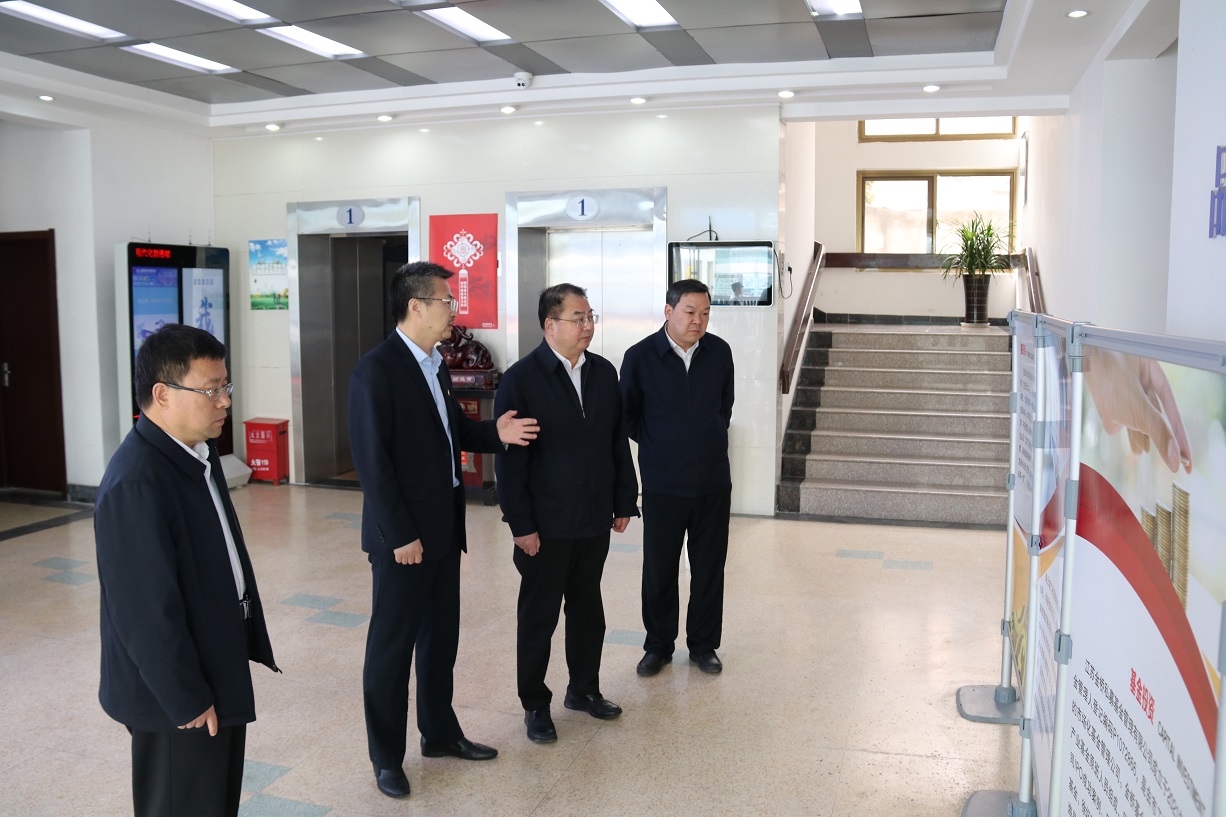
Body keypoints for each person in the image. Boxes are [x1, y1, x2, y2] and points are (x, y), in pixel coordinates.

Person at [348, 261, 539, 799]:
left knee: (439, 641)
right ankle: (387, 758)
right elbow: (372, 464)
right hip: (403, 540)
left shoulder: (435, 365)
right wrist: (399, 534)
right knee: (391, 650)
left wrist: (497, 433)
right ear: (416, 306)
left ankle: (439, 733)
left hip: (442, 530)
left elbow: (452, 431)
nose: (454, 310)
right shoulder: (376, 371)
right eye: (445, 302)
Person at [94, 323, 279, 817]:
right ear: (163, 395)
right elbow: (144, 614)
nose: (224, 402)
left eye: (225, 386)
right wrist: (187, 698)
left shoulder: (196, 451)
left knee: (214, 803)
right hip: (175, 696)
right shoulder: (137, 482)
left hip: (214, 659)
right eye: (211, 390)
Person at [495, 283, 639, 744]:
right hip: (546, 524)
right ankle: (535, 704)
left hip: (593, 517)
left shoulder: (603, 372)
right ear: (549, 325)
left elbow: (617, 441)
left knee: (587, 610)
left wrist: (624, 499)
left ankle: (584, 689)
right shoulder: (522, 378)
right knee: (539, 617)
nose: (587, 326)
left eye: (590, 317)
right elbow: (509, 461)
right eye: (578, 318)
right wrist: (521, 524)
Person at [620, 279, 735, 677]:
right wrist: (662, 445)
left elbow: (724, 408)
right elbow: (628, 416)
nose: (698, 320)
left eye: (705, 313)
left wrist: (706, 438)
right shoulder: (640, 357)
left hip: (713, 482)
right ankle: (658, 646)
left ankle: (703, 645)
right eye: (689, 312)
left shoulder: (719, 352)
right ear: (669, 312)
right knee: (660, 568)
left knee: (709, 568)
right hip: (663, 483)